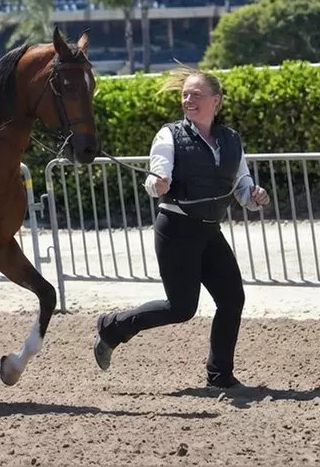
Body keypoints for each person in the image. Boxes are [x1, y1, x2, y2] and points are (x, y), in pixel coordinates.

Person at [92, 65, 270, 390]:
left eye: (196, 95)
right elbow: (156, 175)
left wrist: (255, 195)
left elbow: (243, 188)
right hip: (175, 228)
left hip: (209, 231)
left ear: (216, 101)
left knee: (232, 298)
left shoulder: (231, 140)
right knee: (181, 308)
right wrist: (157, 184)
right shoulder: (169, 135)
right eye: (185, 94)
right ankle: (112, 327)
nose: (188, 100)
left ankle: (220, 377)